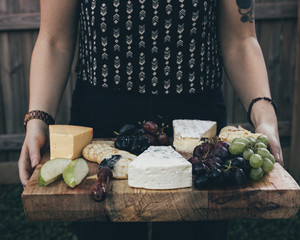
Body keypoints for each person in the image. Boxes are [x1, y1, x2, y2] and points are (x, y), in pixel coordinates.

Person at [18, 0, 283, 239]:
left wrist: (265, 118)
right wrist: (37, 120)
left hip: (195, 125)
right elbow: (53, 40)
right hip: (102, 119)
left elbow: (241, 41)